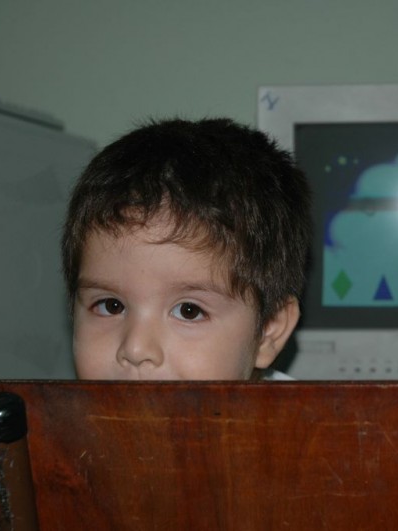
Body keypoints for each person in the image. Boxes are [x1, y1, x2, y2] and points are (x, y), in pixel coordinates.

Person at [61, 117, 311, 380]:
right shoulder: (47, 407)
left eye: (189, 311)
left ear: (268, 331)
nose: (135, 349)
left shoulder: (319, 409)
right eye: (111, 306)